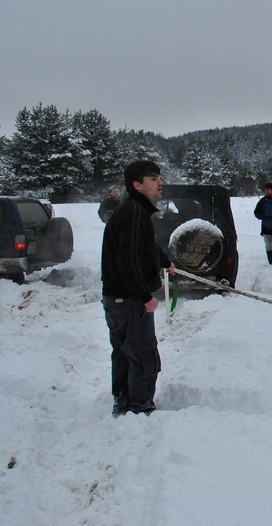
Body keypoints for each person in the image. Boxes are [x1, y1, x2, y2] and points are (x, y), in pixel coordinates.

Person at [100, 161, 174, 417]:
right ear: (137, 185)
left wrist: (165, 262)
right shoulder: (132, 213)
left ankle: (123, 403)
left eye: (158, 177)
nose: (159, 183)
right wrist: (144, 296)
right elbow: (127, 260)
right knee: (142, 356)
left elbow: (146, 246)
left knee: (124, 353)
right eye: (153, 179)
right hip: (128, 300)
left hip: (119, 299)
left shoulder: (135, 211)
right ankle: (139, 409)